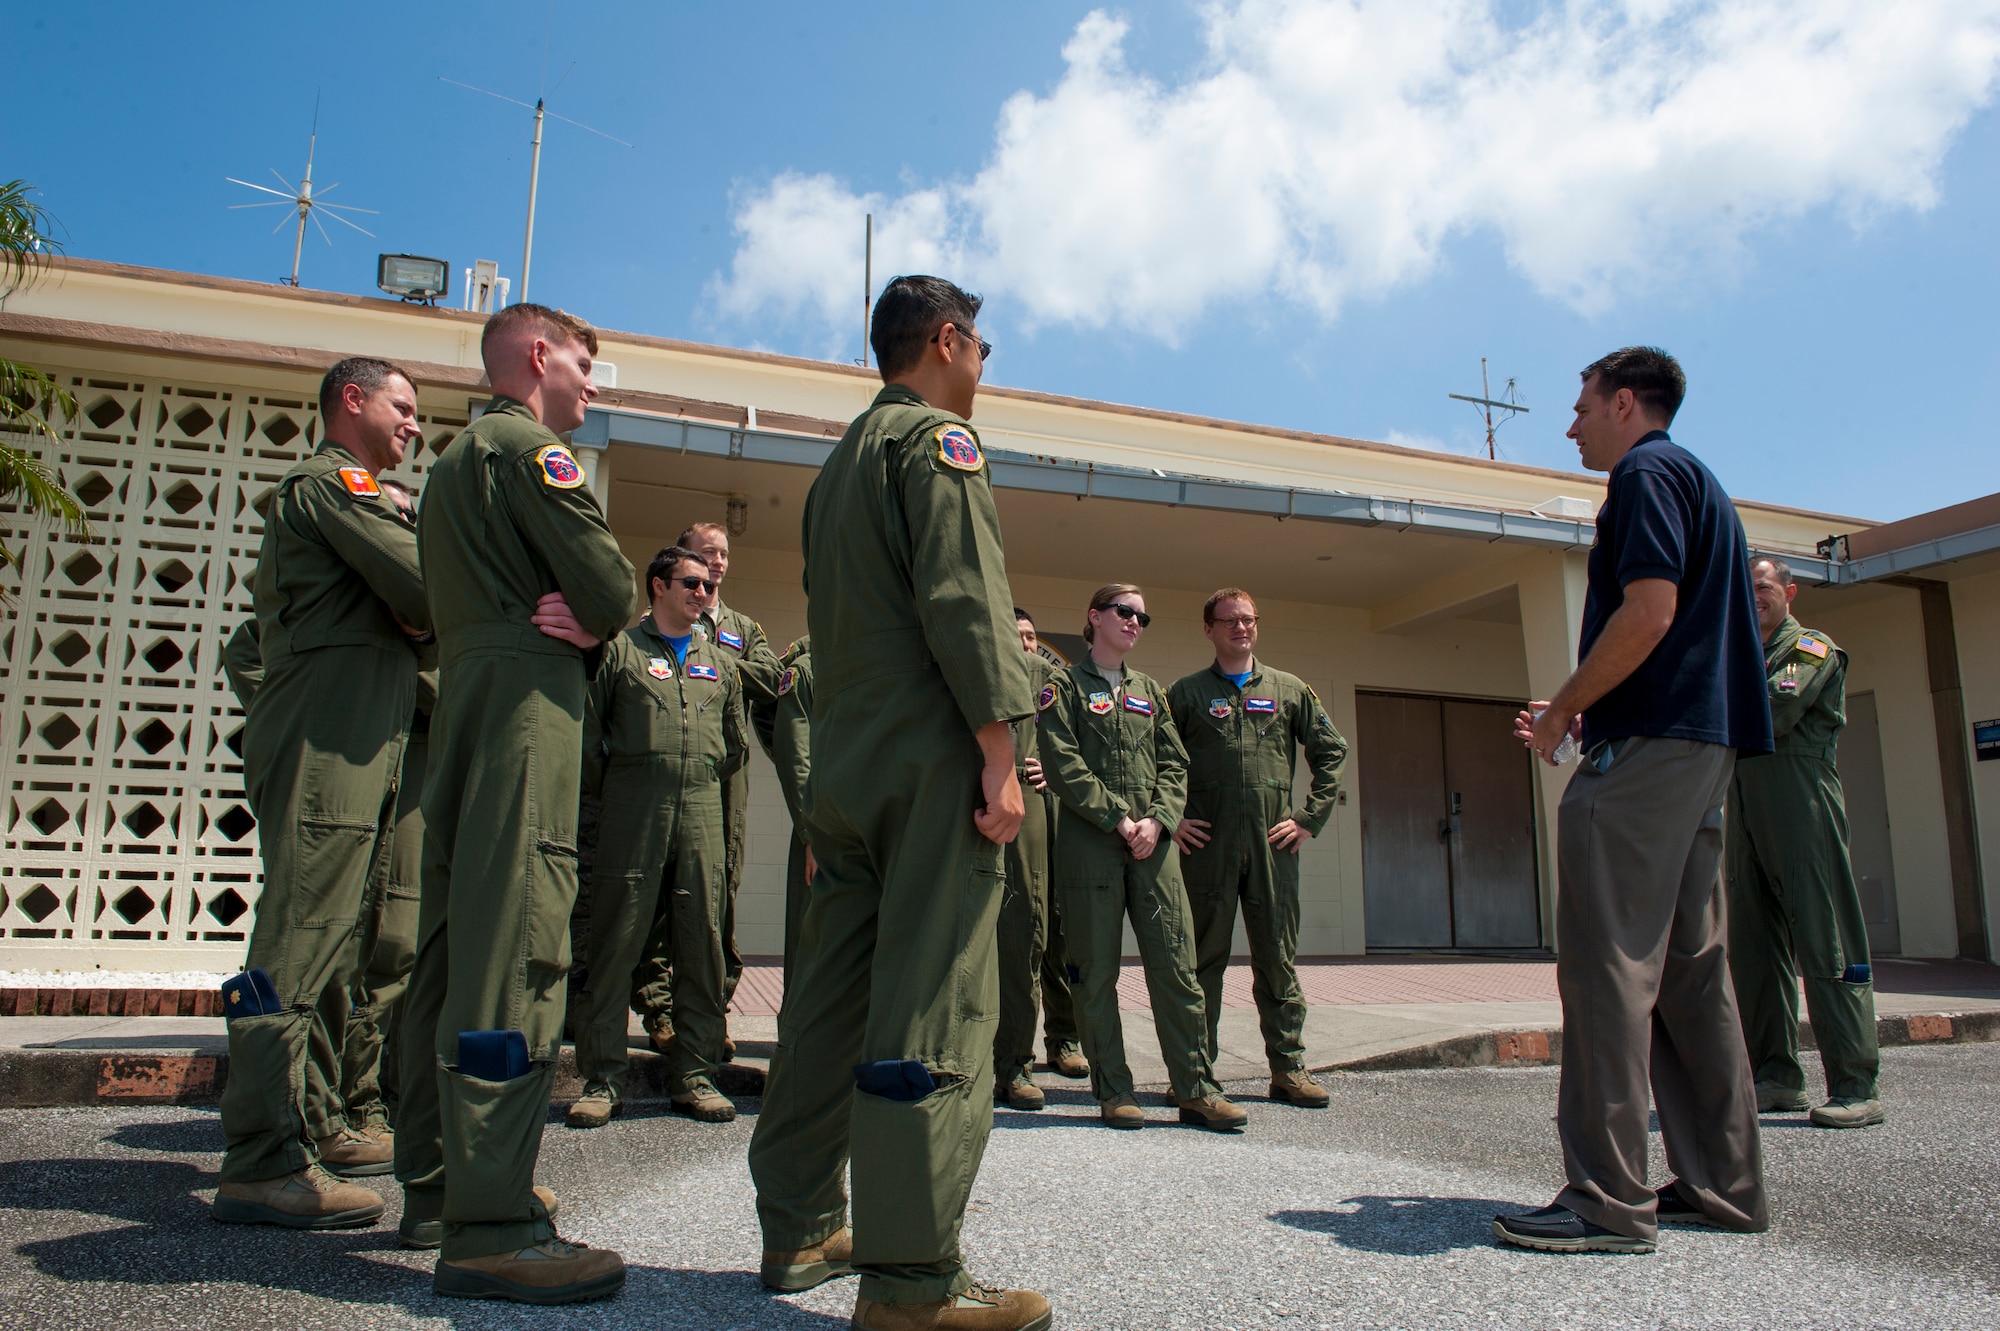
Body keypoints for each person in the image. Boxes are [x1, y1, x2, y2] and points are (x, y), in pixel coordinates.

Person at [745, 275, 1049, 1331]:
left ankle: (794, 1225)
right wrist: (999, 752)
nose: (983, 366)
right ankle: (912, 1281)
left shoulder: (837, 465)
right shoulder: (937, 444)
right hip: (928, 766)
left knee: (827, 1005)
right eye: (980, 346)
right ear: (948, 340)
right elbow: (963, 602)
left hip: (848, 767)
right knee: (934, 1000)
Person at [1501, 346, 1772, 1255]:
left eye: (1580, 406)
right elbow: (1676, 632)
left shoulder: (1646, 474)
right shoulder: (1704, 483)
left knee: (1608, 965)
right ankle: (1723, 1184)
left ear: (1625, 402)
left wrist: (1566, 711)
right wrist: (1584, 702)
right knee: (1692, 973)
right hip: (1699, 749)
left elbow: (1649, 612)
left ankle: (1608, 1200)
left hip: (1648, 757)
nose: (1571, 424)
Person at [392, 303, 638, 1303]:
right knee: (515, 955)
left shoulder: (449, 464)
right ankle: (492, 1226)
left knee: (448, 953)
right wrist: (595, 611)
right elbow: (612, 587)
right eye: (584, 364)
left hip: (464, 710)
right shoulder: (532, 455)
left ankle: (438, 1185)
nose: (591, 383)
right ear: (538, 358)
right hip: (528, 714)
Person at [211, 357, 430, 1229]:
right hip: (325, 733)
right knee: (300, 941)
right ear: (353, 400)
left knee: (343, 938)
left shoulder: (364, 493)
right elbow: (422, 591)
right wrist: (420, 603)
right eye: (402, 406)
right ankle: (261, 1155)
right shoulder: (332, 483)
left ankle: (321, 1119)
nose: (413, 423)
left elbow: (420, 615)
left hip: (363, 733)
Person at [1039, 583, 1245, 1134]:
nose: (1135, 621)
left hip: (1152, 848)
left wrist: (1158, 819)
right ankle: (1115, 1090)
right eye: (1125, 612)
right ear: (1095, 618)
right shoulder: (1063, 688)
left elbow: (1175, 765)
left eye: (1143, 617)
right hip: (1092, 846)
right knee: (1095, 972)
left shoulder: (1150, 691)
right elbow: (1062, 764)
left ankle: (1196, 1089)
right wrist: (1119, 818)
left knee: (1177, 967)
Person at [571, 545, 746, 1128]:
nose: (702, 592)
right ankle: (602, 1078)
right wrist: (636, 781)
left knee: (702, 944)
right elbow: (589, 743)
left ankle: (694, 1076)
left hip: (700, 809)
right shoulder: (618, 652)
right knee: (616, 941)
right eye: (690, 583)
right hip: (632, 809)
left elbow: (733, 746)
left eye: (706, 585)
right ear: (657, 587)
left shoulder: (718, 661)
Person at [1168, 588, 1347, 1107]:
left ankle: (1289, 1071)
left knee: (1277, 960)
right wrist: (1172, 818)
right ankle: (1197, 1077)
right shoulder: (1186, 693)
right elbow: (1157, 758)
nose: (1240, 628)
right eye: (1229, 621)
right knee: (1201, 963)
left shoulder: (1289, 690)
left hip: (1274, 847)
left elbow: (1331, 751)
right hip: (1208, 848)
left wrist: (1310, 819)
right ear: (1209, 629)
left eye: (1248, 619)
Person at [1729, 555, 1882, 1128]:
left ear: (1789, 591)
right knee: (1754, 949)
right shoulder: (1737, 655)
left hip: (1803, 808)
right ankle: (1775, 1077)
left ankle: (1855, 1084)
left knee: (1827, 942)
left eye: (1763, 587)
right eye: (1744, 590)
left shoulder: (1811, 648)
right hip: (1744, 809)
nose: (1754, 597)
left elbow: (1779, 706)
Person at [340, 477, 431, 1147]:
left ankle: (378, 1095)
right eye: (392, 513)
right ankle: (336, 1101)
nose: (402, 523)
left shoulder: (428, 595)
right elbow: (256, 656)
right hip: (351, 764)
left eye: (410, 517)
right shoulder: (346, 590)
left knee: (401, 940)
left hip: (420, 776)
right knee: (345, 939)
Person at [673, 520, 785, 1047]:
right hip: (673, 770)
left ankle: (714, 1008)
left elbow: (770, 677)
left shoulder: (743, 626)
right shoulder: (662, 620)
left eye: (722, 555)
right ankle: (659, 1010)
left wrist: (717, 662)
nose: (715, 563)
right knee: (665, 886)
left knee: (721, 886)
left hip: (728, 771)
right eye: (705, 553)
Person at [994, 610, 1060, 1112]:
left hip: (1029, 808)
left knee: (1025, 932)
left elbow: (1086, 741)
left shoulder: (1050, 681)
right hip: (968, 798)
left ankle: (1016, 1063)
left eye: (1030, 637)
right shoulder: (973, 664)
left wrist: (1053, 768)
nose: (1024, 645)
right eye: (1013, 636)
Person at [769, 634, 816, 986]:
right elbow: (795, 758)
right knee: (810, 938)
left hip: (871, 825)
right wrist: (811, 833)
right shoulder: (807, 668)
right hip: (822, 823)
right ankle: (796, 1041)